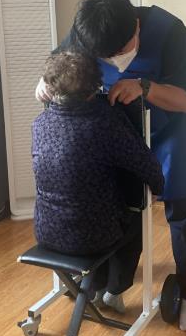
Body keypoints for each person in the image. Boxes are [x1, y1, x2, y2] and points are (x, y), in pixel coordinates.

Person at [36, 0, 186, 332]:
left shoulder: (171, 32)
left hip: (168, 129)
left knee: (182, 205)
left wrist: (145, 87)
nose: (115, 60)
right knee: (120, 206)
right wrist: (44, 82)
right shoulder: (86, 30)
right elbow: (59, 66)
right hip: (115, 131)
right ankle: (114, 283)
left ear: (137, 26)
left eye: (122, 51)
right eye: (107, 57)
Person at [32, 51, 165, 313]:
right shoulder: (106, 123)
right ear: (96, 86)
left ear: (51, 87)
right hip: (92, 237)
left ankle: (93, 287)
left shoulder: (40, 124)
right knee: (135, 217)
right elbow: (146, 165)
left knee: (91, 214)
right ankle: (113, 291)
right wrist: (158, 189)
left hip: (46, 231)